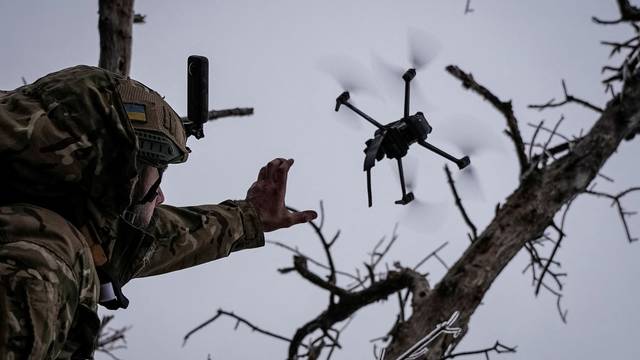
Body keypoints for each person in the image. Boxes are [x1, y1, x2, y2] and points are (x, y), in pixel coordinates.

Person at [0, 65, 317, 359]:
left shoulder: (37, 212)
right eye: (156, 176)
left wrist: (249, 218)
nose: (161, 197)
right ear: (115, 172)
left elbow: (145, 236)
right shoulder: (37, 260)